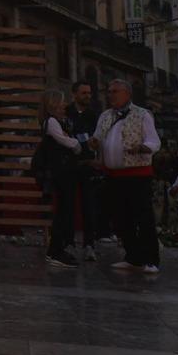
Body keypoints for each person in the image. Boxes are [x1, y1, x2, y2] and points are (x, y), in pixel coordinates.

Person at [96, 80, 160, 274]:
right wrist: (93, 144)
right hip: (113, 175)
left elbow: (154, 141)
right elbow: (98, 137)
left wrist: (143, 147)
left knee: (143, 217)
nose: (111, 95)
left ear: (127, 94)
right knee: (121, 219)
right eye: (109, 91)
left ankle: (151, 259)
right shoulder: (105, 115)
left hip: (137, 175)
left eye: (115, 91)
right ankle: (133, 257)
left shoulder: (142, 114)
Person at [36, 88, 88, 267]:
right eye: (61, 101)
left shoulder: (56, 121)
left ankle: (59, 247)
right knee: (63, 211)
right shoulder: (51, 122)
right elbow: (66, 141)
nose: (64, 105)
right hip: (61, 172)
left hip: (64, 171)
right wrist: (78, 145)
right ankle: (55, 250)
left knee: (65, 210)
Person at [67, 80, 106, 259]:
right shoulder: (67, 113)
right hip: (70, 165)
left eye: (89, 93)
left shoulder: (94, 115)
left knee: (89, 206)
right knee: (67, 205)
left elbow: (98, 140)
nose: (88, 96)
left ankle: (89, 243)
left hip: (89, 166)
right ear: (74, 94)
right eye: (84, 93)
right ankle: (67, 242)